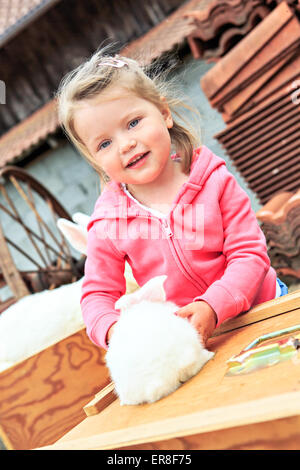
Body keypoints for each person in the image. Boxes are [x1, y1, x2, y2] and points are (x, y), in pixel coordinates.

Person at [56, 49, 287, 351]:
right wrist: (114, 331)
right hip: (195, 341)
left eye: (133, 123)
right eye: (105, 143)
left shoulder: (212, 179)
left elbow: (249, 255)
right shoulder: (109, 222)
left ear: (164, 113)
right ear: (95, 158)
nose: (126, 144)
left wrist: (213, 306)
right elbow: (98, 293)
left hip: (262, 309)